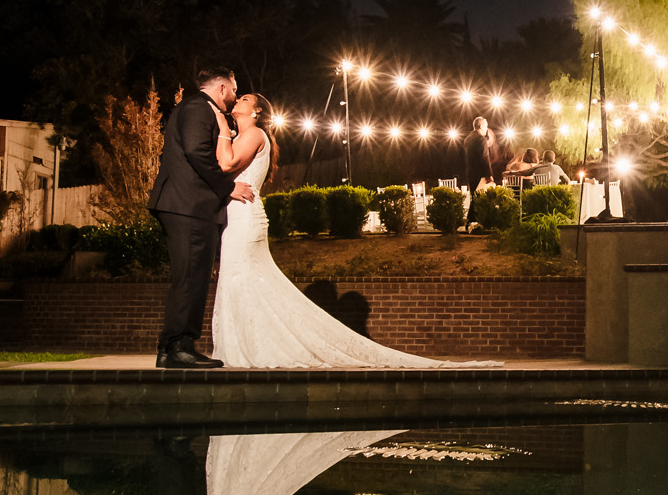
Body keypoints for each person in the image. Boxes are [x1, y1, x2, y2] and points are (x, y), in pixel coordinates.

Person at [206, 92, 497, 368]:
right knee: (243, 281)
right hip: (239, 216)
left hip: (244, 218)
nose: (238, 99)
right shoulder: (243, 136)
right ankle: (247, 344)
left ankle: (251, 346)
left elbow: (226, 162)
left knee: (242, 278)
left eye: (244, 98)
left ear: (257, 111)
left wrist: (220, 128)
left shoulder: (254, 134)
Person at [147, 67, 256, 369]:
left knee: (188, 276)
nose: (234, 97)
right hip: (189, 206)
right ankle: (180, 347)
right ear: (222, 88)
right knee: (192, 277)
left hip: (184, 205)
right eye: (234, 90)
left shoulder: (194, 108)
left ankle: (170, 349)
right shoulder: (198, 108)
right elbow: (197, 152)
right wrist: (227, 187)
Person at [465, 117, 497, 189]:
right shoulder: (481, 139)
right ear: (481, 126)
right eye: (486, 126)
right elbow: (484, 158)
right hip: (480, 176)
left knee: (473, 197)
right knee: (482, 198)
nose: (486, 129)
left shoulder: (467, 139)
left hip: (470, 175)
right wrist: (489, 175)